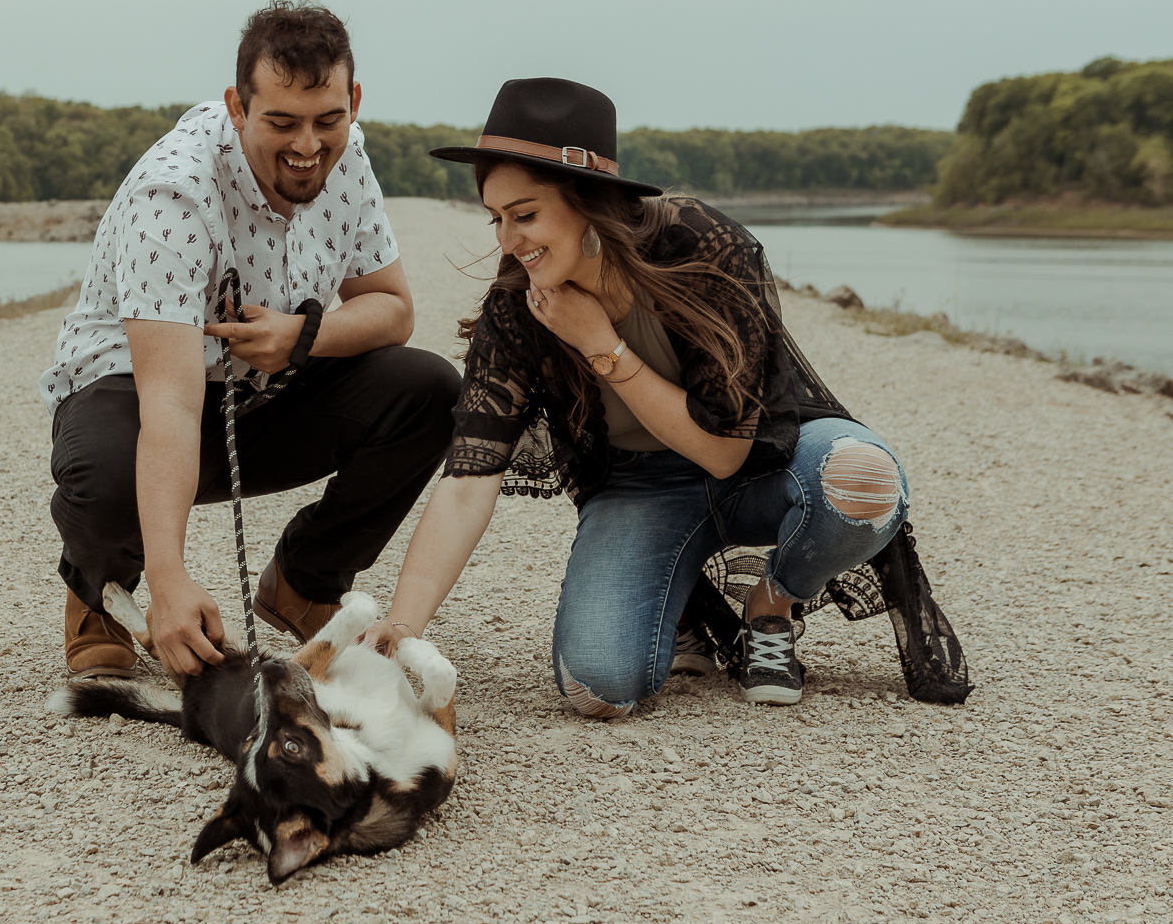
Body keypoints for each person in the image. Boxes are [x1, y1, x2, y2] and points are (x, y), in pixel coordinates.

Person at [359, 78, 971, 716]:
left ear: (591, 204)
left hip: (763, 460)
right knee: (598, 688)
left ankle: (773, 602)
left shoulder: (704, 249)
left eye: (526, 215)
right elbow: (466, 480)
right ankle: (680, 603)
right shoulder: (521, 304)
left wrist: (604, 348)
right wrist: (405, 626)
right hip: (641, 488)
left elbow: (725, 454)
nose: (507, 242)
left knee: (865, 482)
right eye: (498, 218)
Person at [40, 0, 460, 679]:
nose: (307, 146)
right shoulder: (171, 197)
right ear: (238, 106)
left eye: (328, 119)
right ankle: (98, 599)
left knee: (431, 390)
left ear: (353, 101)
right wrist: (172, 579)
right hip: (136, 393)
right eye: (282, 123)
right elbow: (170, 406)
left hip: (264, 389)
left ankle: (303, 581)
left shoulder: (346, 155)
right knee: (108, 477)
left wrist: (304, 335)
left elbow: (393, 310)